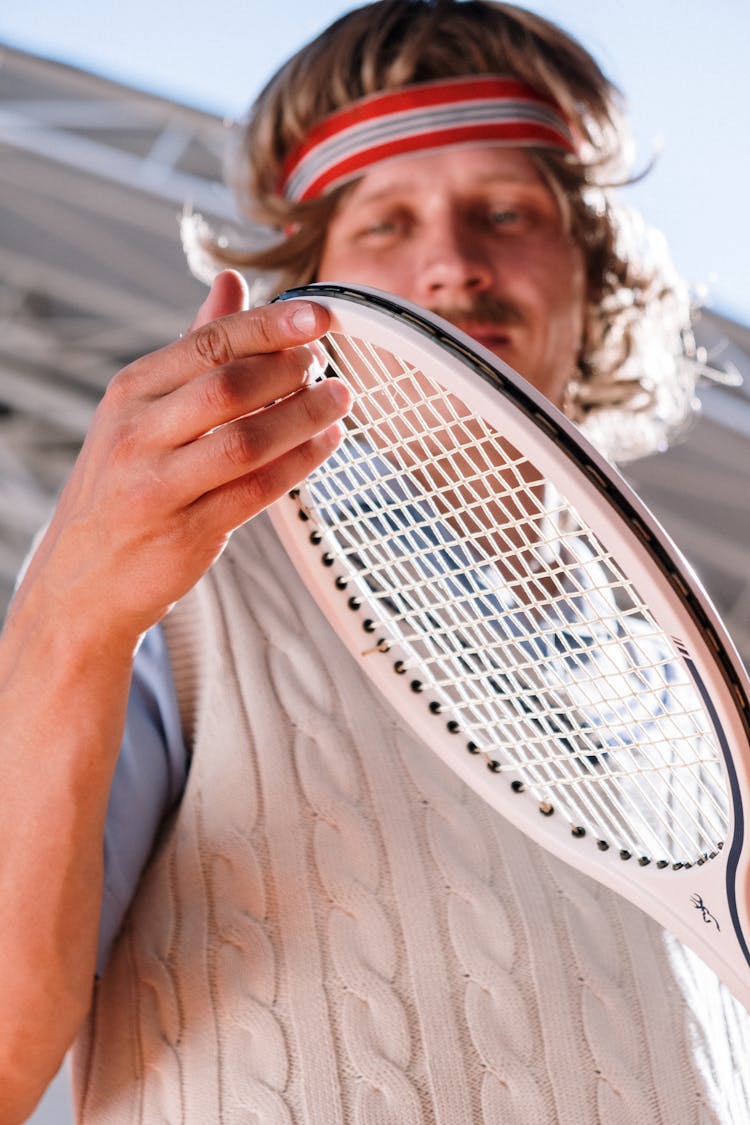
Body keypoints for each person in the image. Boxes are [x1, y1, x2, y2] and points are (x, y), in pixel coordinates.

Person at [1, 2, 747, 1122]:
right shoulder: (183, 578)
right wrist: (66, 618)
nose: (453, 263)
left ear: (594, 273)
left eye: (504, 212)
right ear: (310, 297)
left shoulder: (689, 677)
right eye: (388, 224)